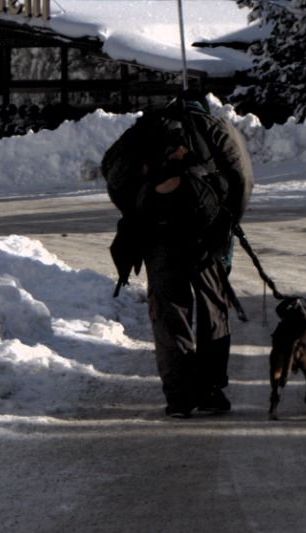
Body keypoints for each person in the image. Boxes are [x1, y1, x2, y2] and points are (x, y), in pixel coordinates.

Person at [101, 95, 253, 418]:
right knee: (213, 308)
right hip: (206, 233)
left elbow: (113, 174)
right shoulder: (214, 128)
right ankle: (211, 391)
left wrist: (138, 212)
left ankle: (180, 396)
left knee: (169, 313)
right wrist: (228, 224)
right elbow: (242, 177)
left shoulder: (142, 133)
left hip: (157, 235)